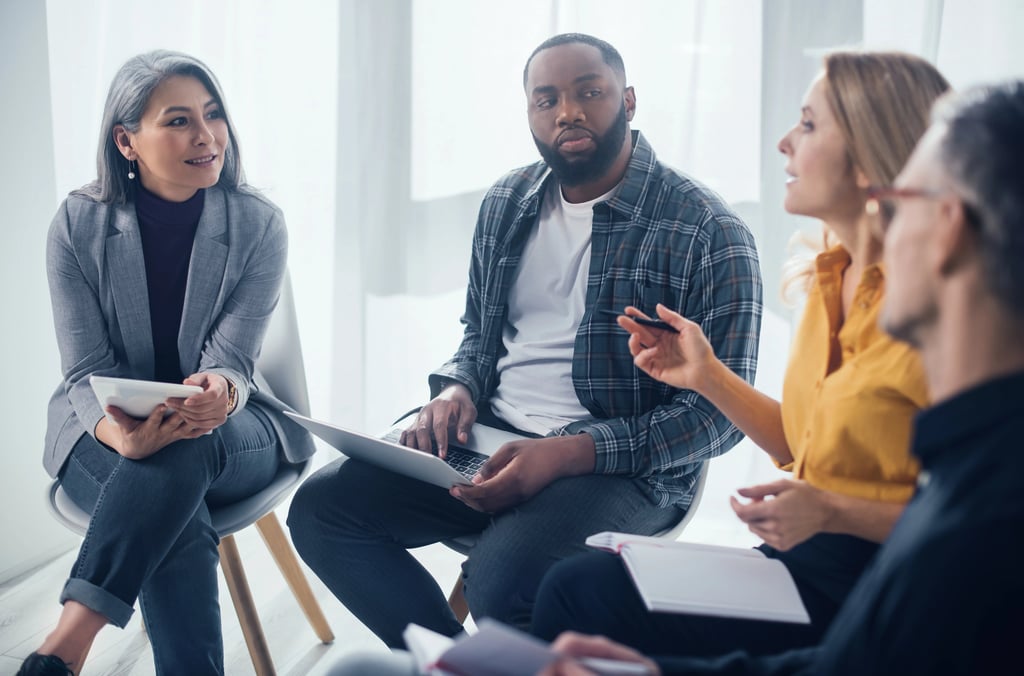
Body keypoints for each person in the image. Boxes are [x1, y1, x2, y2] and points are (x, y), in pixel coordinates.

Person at [287, 32, 763, 649]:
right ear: (531, 113)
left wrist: (568, 453)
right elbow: (477, 340)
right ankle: (460, 663)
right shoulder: (508, 202)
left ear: (630, 101)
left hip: (618, 468)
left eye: (589, 92)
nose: (567, 111)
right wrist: (457, 388)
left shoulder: (708, 230)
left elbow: (717, 421)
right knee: (324, 511)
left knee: (504, 582)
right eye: (547, 99)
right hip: (489, 440)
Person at [542, 78, 1024, 676]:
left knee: (577, 590)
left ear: (946, 227)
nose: (783, 143)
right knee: (579, 582)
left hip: (847, 567)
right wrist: (707, 375)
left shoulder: (948, 362)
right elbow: (807, 445)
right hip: (805, 553)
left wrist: (836, 512)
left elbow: (940, 532)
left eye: (810, 123)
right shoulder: (828, 278)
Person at [19, 50, 313, 676]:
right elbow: (83, 371)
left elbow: (232, 358)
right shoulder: (77, 225)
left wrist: (221, 392)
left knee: (182, 447)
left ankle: (66, 642)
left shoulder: (259, 223)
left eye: (213, 115)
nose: (206, 137)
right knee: (173, 511)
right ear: (126, 141)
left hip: (234, 430)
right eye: (178, 120)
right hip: (100, 428)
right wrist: (118, 434)